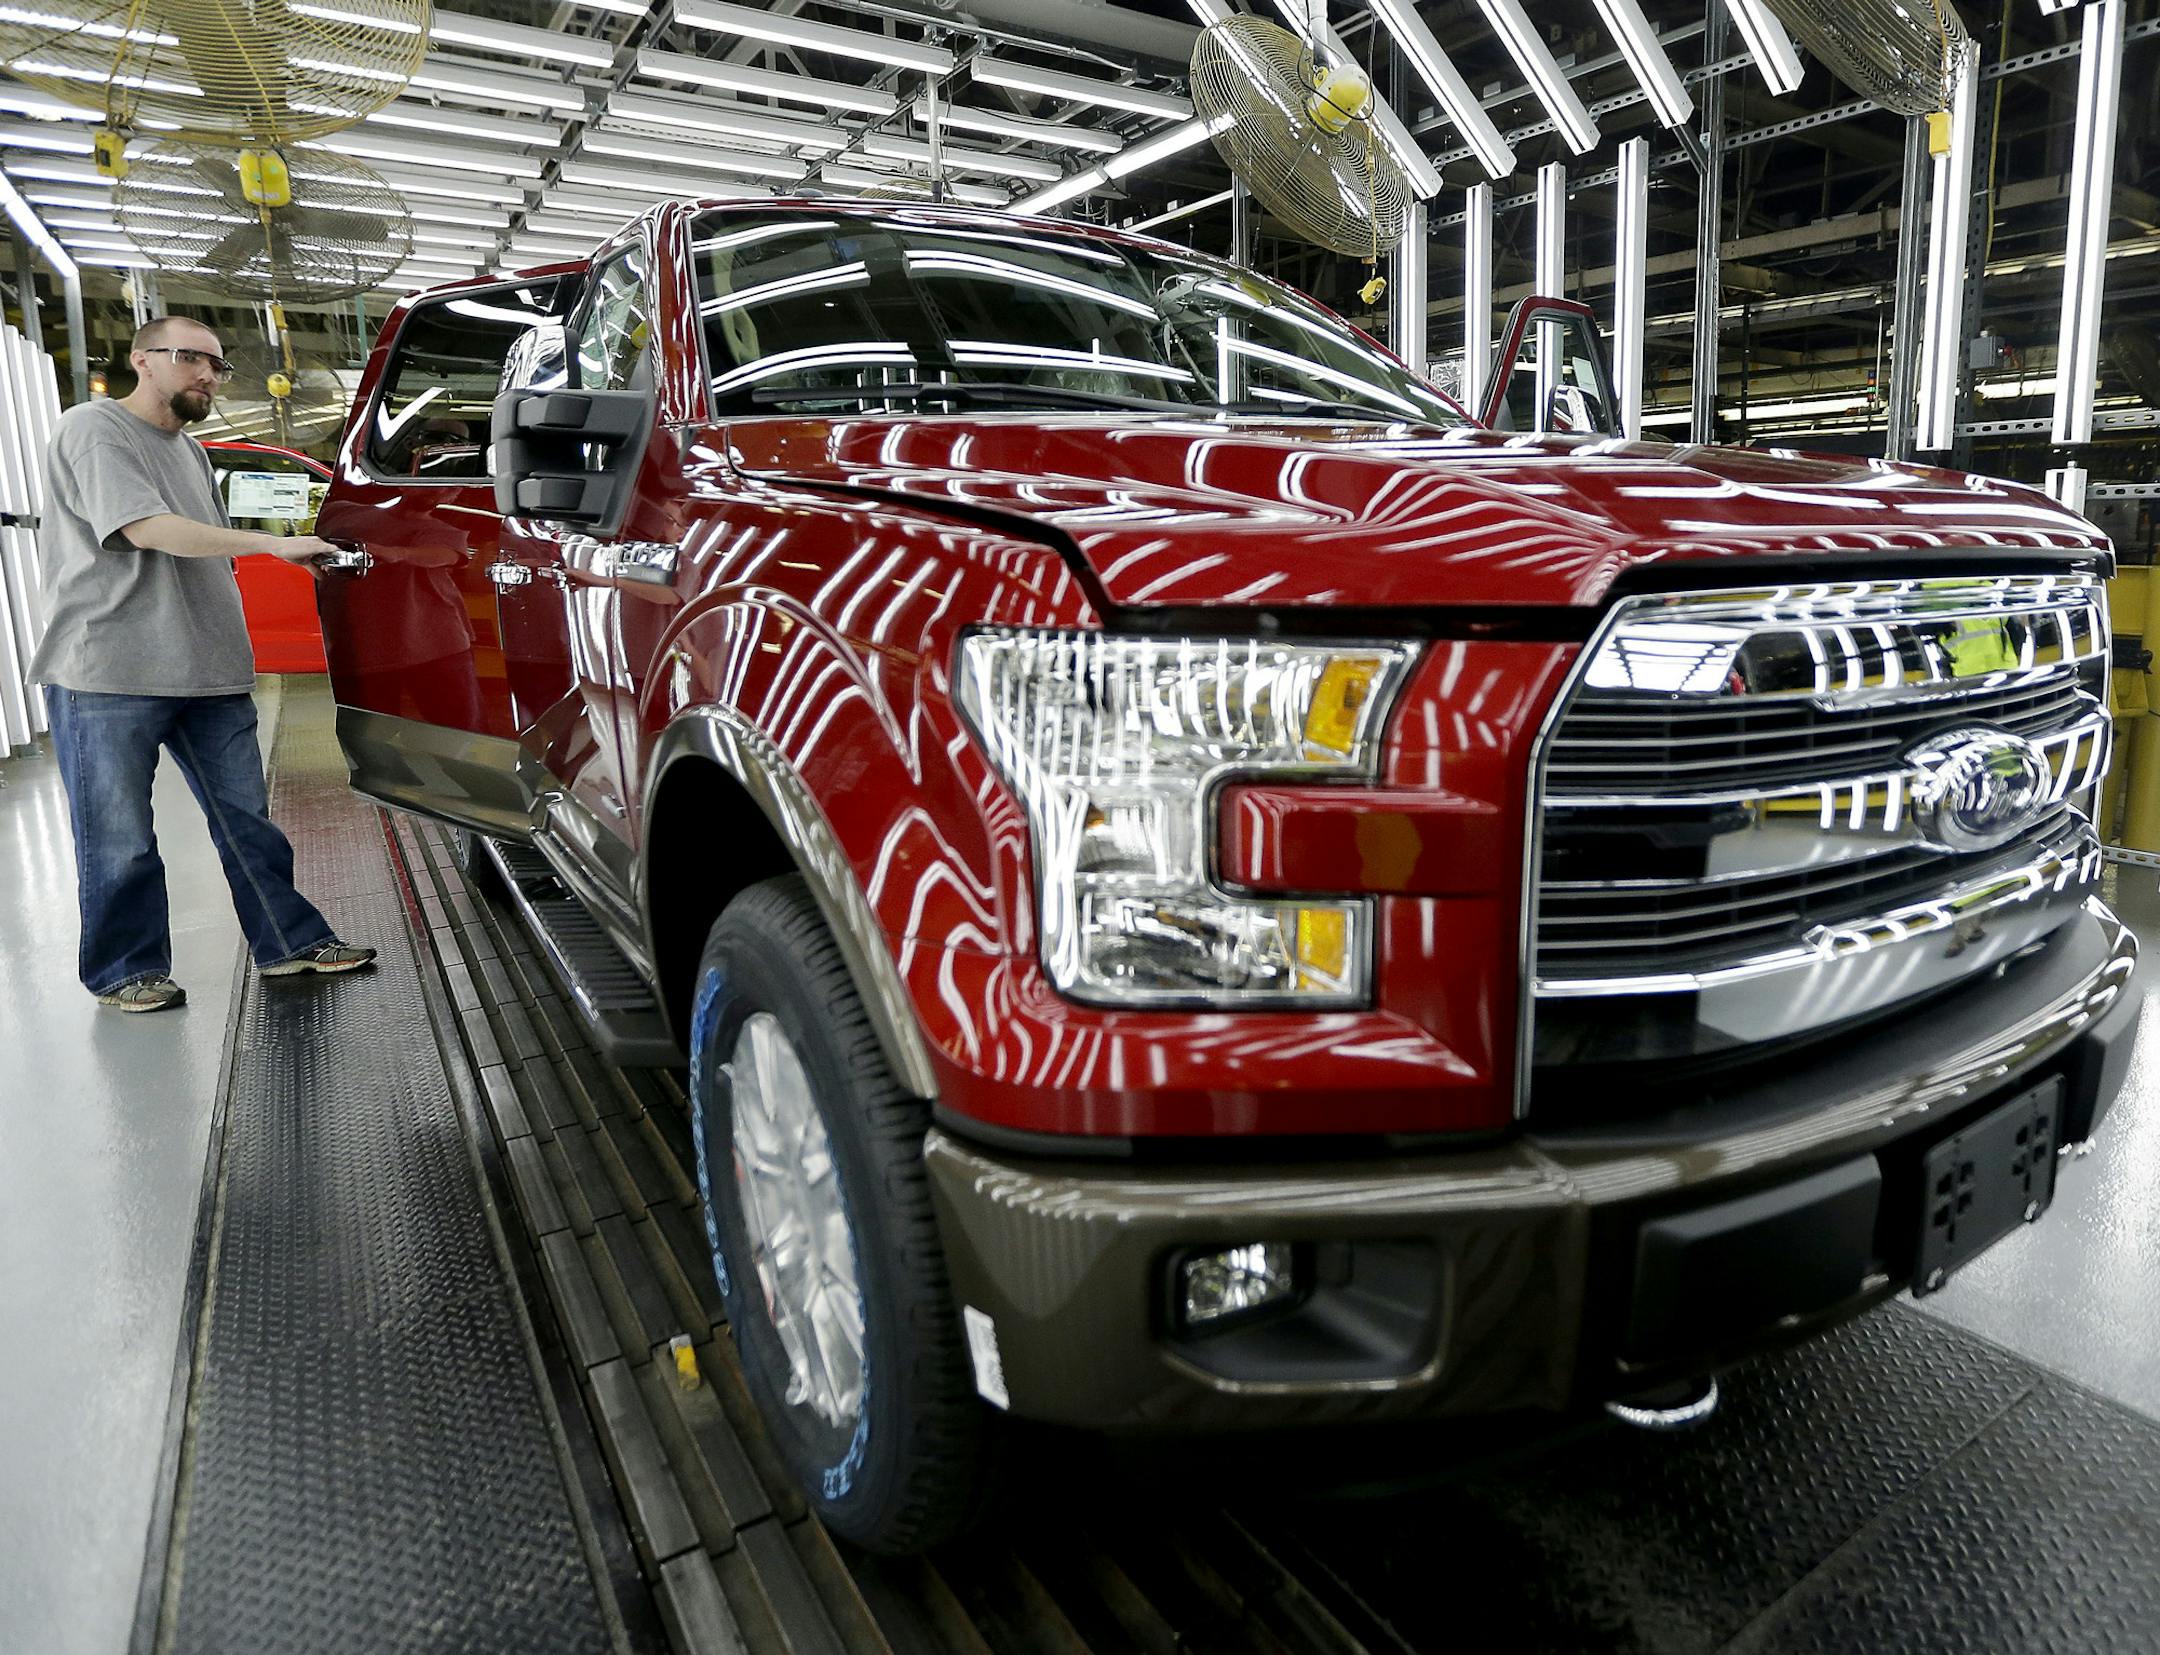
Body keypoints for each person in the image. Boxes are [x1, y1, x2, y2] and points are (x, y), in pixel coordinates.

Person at [27, 315, 377, 1013]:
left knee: (250, 822)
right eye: (190, 359)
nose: (207, 376)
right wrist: (271, 545)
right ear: (141, 360)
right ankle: (126, 969)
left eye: (217, 366)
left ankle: (288, 942)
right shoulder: (94, 428)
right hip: (110, 671)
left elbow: (198, 544)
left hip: (208, 669)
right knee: (119, 838)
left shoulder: (188, 450)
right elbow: (144, 530)